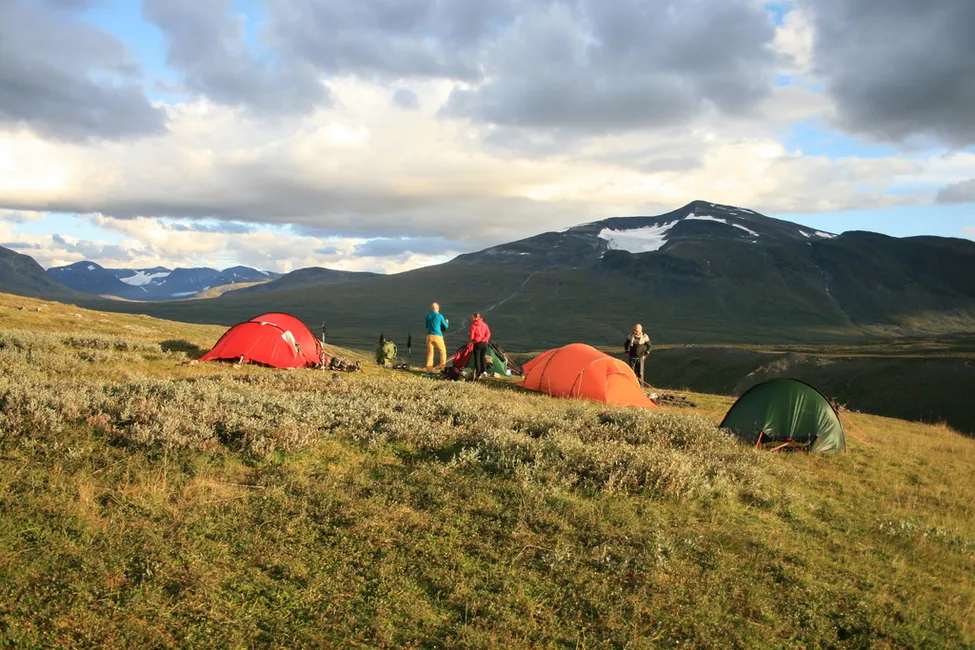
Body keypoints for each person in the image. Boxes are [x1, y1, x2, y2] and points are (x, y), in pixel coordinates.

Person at [424, 302, 450, 373]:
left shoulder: (427, 316)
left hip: (429, 336)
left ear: (432, 309)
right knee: (443, 352)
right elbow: (446, 326)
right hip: (437, 336)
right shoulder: (440, 316)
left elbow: (427, 326)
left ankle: (429, 370)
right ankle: (442, 369)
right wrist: (447, 322)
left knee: (430, 353)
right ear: (438, 309)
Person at [468, 312, 492, 380]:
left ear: (476, 318)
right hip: (485, 343)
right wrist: (485, 339)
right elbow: (488, 333)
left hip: (477, 344)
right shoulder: (485, 324)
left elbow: (472, 337)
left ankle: (478, 373)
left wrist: (470, 336)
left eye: (472, 317)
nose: (472, 319)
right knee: (483, 357)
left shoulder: (473, 325)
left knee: (477, 359)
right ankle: (484, 371)